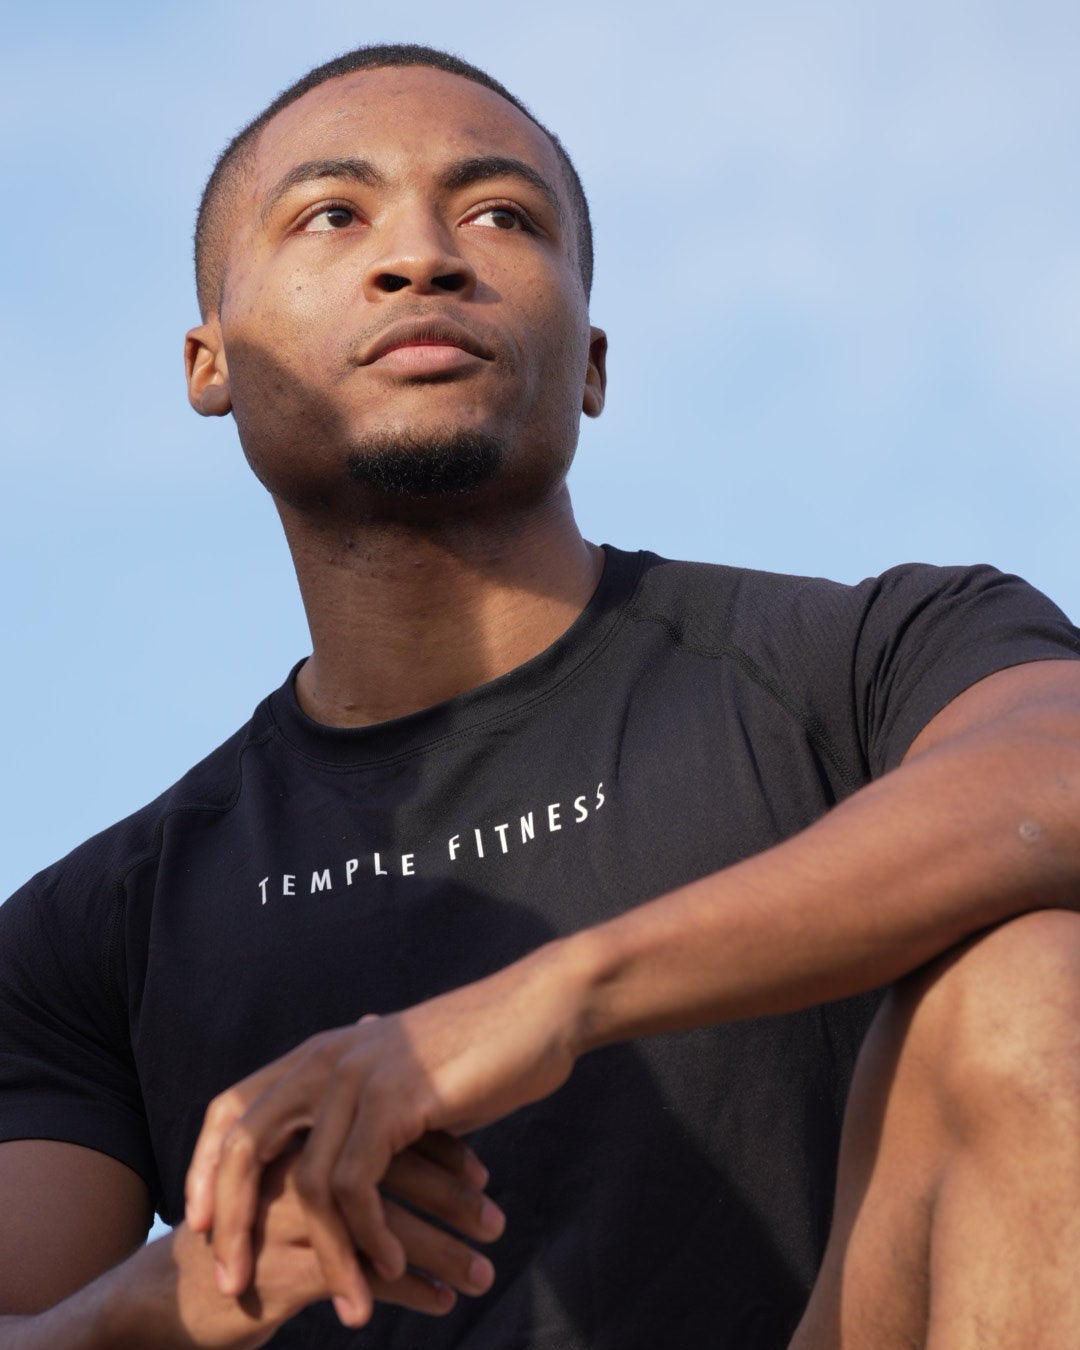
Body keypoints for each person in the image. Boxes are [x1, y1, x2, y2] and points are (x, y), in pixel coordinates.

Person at [2, 41, 1080, 1350]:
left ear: (591, 363)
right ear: (209, 361)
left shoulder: (862, 656)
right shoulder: (97, 929)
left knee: (1031, 974)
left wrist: (548, 999)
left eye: (500, 215)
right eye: (333, 215)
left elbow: (1055, 774)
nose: (424, 258)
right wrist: (153, 1300)